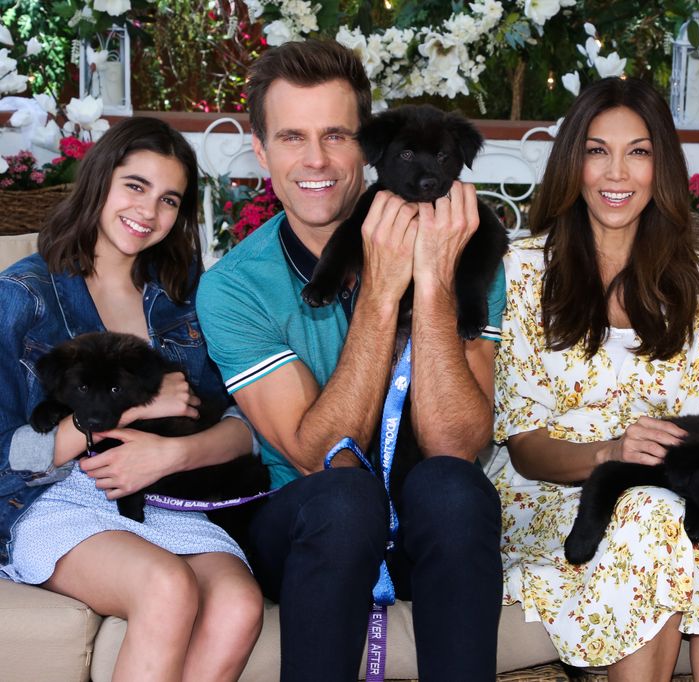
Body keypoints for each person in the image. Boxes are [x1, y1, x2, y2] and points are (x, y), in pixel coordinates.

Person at [195, 40, 504, 681]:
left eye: (337, 135)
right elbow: (317, 451)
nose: (316, 160)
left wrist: (435, 282)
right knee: (343, 499)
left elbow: (457, 441)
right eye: (291, 137)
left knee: (455, 487)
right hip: (309, 531)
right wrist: (383, 295)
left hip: (427, 520)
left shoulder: (463, 247)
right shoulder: (233, 287)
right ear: (261, 151)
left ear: (366, 148)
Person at [488, 76, 699, 682]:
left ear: (662, 167)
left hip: (666, 501)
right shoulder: (522, 273)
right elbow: (523, 449)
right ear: (573, 162)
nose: (616, 173)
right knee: (653, 516)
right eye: (597, 150)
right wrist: (610, 451)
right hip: (554, 504)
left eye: (638, 152)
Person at [0, 117, 264, 681]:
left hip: (167, 499)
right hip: (54, 501)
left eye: (169, 199)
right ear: (100, 180)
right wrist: (135, 410)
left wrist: (173, 455)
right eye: (136, 186)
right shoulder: (23, 295)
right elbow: (7, 457)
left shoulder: (184, 297)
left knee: (240, 606)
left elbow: (246, 421)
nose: (149, 211)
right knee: (166, 586)